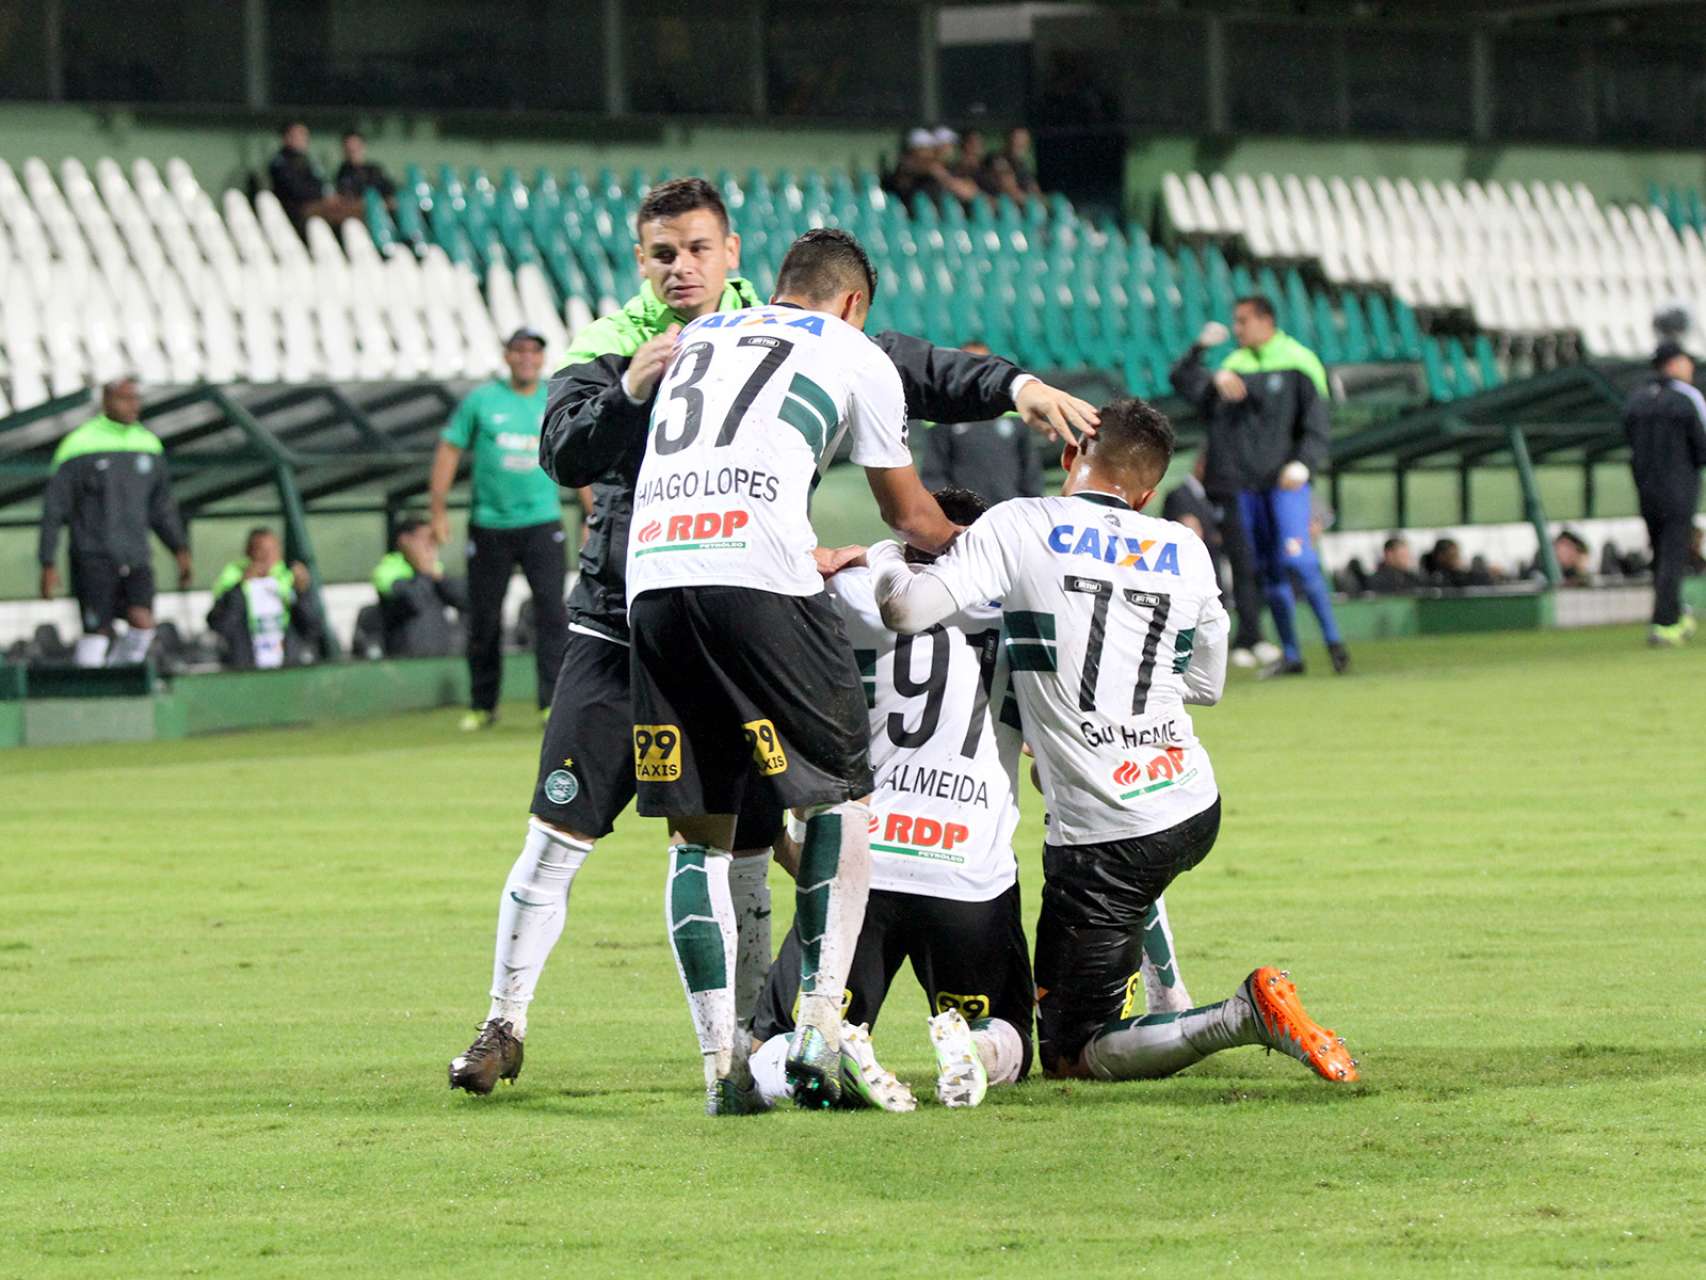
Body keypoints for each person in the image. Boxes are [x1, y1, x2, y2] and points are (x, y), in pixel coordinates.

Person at [445, 177, 1097, 1100]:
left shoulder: (740, 324)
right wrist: (631, 390)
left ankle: (741, 1049)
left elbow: (914, 363)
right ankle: (511, 1019)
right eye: (663, 254)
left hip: (680, 606)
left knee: (735, 843)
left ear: (734, 253)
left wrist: (1012, 383)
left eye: (697, 250)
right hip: (626, 618)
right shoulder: (613, 345)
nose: (681, 268)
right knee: (571, 834)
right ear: (641, 260)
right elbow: (565, 451)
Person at [865, 397, 1359, 1087]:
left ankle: (1241, 1016)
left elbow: (908, 608)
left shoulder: (1023, 522)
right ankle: (1168, 992)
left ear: (1071, 456)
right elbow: (1208, 683)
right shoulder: (1182, 548)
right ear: (1149, 490)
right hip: (1190, 800)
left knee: (1073, 1055)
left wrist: (882, 553)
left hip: (1107, 841)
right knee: (1086, 806)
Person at [750, 486, 1193, 1112]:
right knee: (1010, 1038)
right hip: (968, 879)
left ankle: (819, 1058)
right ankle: (974, 1053)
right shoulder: (1029, 619)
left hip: (861, 865)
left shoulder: (849, 594)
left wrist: (845, 560)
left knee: (778, 1039)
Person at [1172, 300, 1347, 677]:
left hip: (1286, 483)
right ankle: (1291, 654)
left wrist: (1304, 463)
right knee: (1268, 569)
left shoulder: (1299, 362)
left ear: (1266, 320)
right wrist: (1202, 356)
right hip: (1245, 489)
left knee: (1297, 560)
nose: (1237, 329)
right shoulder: (1233, 367)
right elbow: (1183, 382)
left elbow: (1317, 424)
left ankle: (1335, 643)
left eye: (1243, 321)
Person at [429, 328, 568, 730]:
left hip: (542, 522)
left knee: (551, 614)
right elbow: (449, 448)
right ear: (506, 357)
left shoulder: (553, 397)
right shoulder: (482, 400)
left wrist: (591, 513)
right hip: (489, 525)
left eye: (534, 352)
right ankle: (482, 704)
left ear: (542, 359)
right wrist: (437, 509)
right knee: (485, 618)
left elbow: (576, 450)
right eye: (518, 351)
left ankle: (551, 703)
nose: (526, 358)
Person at [37, 378, 192, 667]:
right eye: (124, 398)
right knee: (98, 630)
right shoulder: (78, 445)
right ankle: (89, 694)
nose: (133, 405)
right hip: (92, 556)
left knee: (143, 622)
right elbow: (54, 510)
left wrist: (180, 549)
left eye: (136, 398)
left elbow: (162, 508)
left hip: (136, 555)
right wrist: (47, 561)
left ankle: (121, 677)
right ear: (106, 400)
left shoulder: (149, 444)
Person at [1170, 321, 1278, 670]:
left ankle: (1252, 636)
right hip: (1217, 489)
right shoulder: (1216, 396)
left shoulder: (1263, 401)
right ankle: (1207, 642)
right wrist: (1199, 350)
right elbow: (1181, 377)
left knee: (1247, 567)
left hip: (1244, 490)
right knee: (1208, 570)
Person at [1622, 339, 1706, 646]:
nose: (1691, 367)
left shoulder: (1636, 400)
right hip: (1679, 490)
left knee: (1660, 556)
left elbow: (1628, 439)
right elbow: (1702, 446)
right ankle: (1666, 623)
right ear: (1672, 364)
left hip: (1646, 490)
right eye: (1686, 361)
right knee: (1673, 555)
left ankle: (1670, 612)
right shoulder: (1686, 398)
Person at [919, 342, 1043, 502]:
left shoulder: (1014, 414)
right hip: (967, 519)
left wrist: (1032, 506)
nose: (976, 371)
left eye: (983, 364)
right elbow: (934, 473)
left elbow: (1030, 469)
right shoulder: (941, 417)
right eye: (969, 364)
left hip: (1011, 514)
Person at [206, 527, 321, 669]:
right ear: (248, 552)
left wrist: (302, 594)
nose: (268, 556)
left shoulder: (289, 578)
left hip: (287, 667)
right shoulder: (232, 577)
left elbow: (311, 627)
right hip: (246, 669)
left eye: (273, 550)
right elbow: (222, 625)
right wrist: (239, 588)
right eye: (261, 549)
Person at [374, 518, 468, 658]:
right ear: (405, 541)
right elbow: (414, 601)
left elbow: (464, 600)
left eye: (432, 540)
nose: (430, 545)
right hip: (406, 659)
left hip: (442, 657)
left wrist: (439, 578)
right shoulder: (388, 569)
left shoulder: (434, 569)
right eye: (424, 539)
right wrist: (424, 571)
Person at [267, 121, 358, 233]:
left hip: (316, 204)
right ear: (286, 138)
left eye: (305, 135)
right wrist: (324, 196)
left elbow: (321, 182)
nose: (303, 139)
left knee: (355, 207)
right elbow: (296, 190)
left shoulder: (307, 161)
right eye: (299, 135)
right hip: (299, 210)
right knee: (349, 212)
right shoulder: (280, 163)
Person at [980, 127, 1042, 205]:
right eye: (1015, 140)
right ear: (1007, 140)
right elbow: (1007, 186)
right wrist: (1026, 198)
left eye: (1023, 142)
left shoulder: (1021, 166)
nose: (1018, 144)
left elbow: (1034, 189)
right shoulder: (997, 160)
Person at [332, 130, 395, 205]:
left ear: (363, 148)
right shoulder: (342, 172)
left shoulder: (374, 171)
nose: (352, 154)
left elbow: (390, 196)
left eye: (355, 149)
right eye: (348, 150)